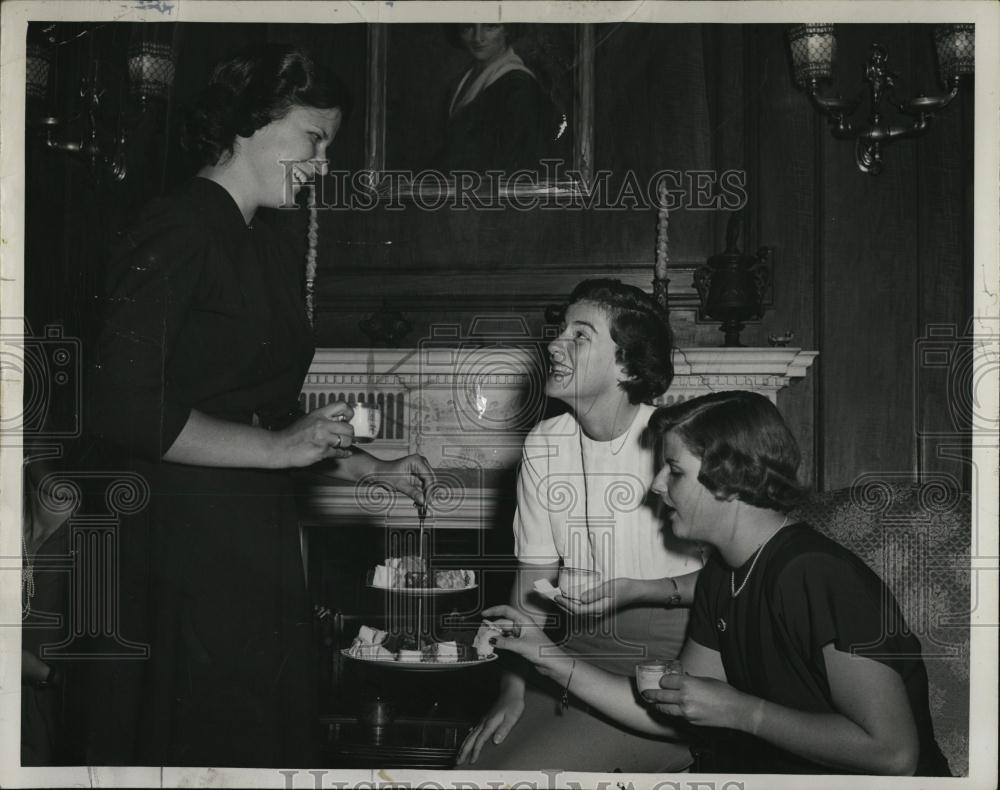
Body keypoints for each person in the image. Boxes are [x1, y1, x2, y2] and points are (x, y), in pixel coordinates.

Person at [79, 44, 433, 767]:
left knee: (251, 733)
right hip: (178, 537)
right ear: (247, 124)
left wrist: (368, 464)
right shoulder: (179, 226)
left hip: (247, 529)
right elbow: (122, 403)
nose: (324, 164)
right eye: (314, 139)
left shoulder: (262, 243)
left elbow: (262, 412)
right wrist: (276, 451)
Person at [484, 391, 951, 775]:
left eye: (676, 471)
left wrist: (745, 713)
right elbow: (676, 713)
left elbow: (893, 754)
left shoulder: (815, 574)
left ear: (729, 480)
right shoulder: (721, 578)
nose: (657, 486)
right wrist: (542, 653)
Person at [456, 279, 703, 772]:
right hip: (571, 656)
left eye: (580, 334)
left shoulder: (680, 443)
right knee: (472, 769)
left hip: (668, 665)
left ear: (627, 365)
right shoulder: (545, 443)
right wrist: (512, 688)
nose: (554, 343)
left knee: (512, 778)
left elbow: (738, 580)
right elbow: (532, 586)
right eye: (560, 329)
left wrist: (639, 591)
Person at [434, 23, 568, 175]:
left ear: (507, 29)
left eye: (490, 27)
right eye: (468, 27)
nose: (478, 38)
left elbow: (512, 164)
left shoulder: (519, 86)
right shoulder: (461, 81)